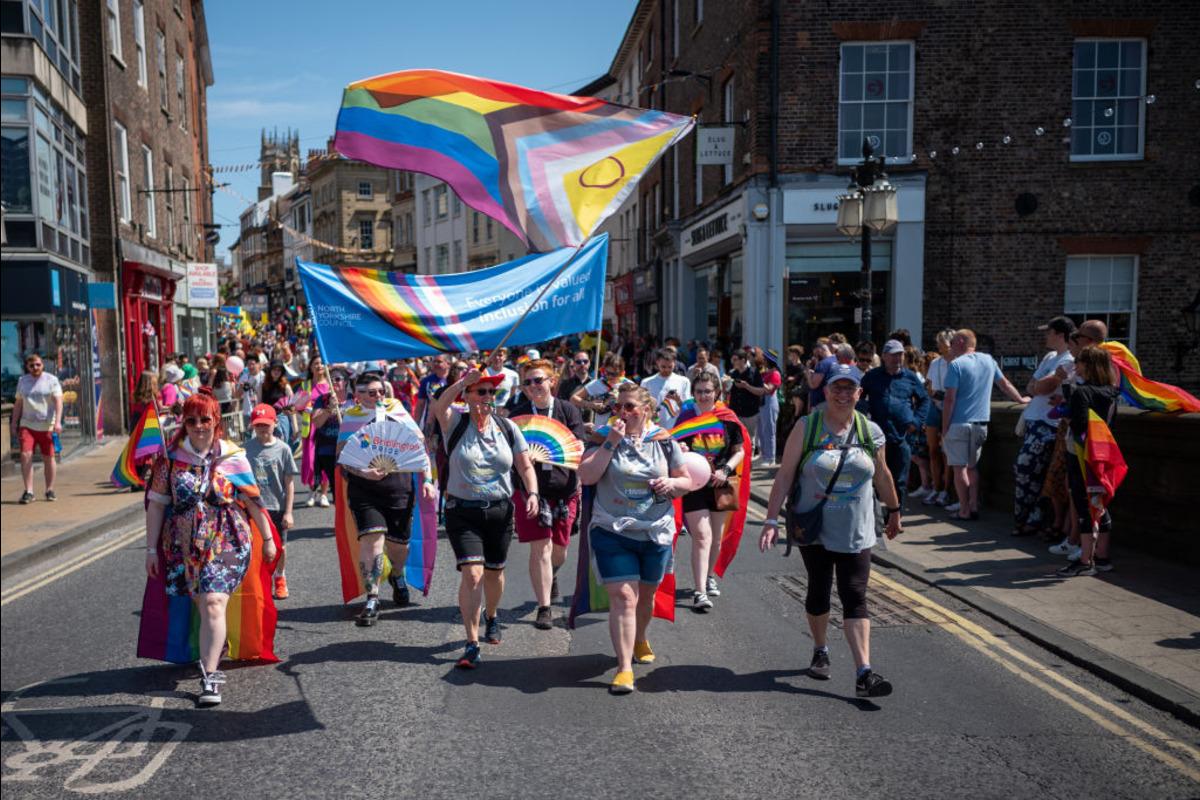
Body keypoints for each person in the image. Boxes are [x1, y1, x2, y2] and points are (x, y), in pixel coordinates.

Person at [759, 364, 903, 698]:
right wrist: (769, 520)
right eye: (836, 388)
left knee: (855, 593)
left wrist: (894, 510)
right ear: (825, 392)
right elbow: (784, 476)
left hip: (857, 528)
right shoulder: (807, 428)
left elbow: (882, 474)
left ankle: (864, 672)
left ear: (859, 394)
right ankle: (820, 648)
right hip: (816, 525)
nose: (842, 394)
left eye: (848, 389)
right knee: (819, 589)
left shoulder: (870, 431)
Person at [144, 389, 276, 706]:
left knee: (214, 601)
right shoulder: (169, 459)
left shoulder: (232, 456)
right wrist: (150, 550)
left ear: (216, 420)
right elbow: (157, 506)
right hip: (183, 544)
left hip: (228, 538)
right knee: (203, 605)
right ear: (183, 423)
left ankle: (210, 677)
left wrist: (269, 539)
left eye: (205, 419)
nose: (199, 425)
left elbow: (252, 501)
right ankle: (214, 647)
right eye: (191, 420)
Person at [576, 384, 691, 694]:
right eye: (618, 408)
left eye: (629, 407)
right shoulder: (603, 437)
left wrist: (672, 482)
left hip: (654, 531)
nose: (623, 413)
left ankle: (640, 636)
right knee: (624, 598)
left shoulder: (665, 442)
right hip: (612, 531)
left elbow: (686, 481)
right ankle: (624, 667)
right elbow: (586, 476)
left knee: (646, 595)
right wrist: (611, 441)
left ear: (646, 410)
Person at [431, 368, 539, 668]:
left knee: (494, 573)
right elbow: (439, 406)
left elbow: (524, 465)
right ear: (467, 396)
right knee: (473, 574)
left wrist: (532, 493)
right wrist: (461, 382)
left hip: (500, 511)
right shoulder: (455, 422)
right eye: (481, 392)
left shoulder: (507, 427)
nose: (487, 398)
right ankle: (471, 642)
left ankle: (492, 615)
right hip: (462, 511)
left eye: (492, 393)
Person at [338, 373, 436, 626]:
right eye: (371, 392)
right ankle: (372, 597)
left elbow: (419, 447)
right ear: (357, 395)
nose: (378, 396)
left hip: (399, 488)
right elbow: (343, 461)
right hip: (364, 490)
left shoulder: (398, 410)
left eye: (381, 391)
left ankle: (397, 573)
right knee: (372, 539)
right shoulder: (351, 417)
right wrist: (363, 472)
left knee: (399, 547)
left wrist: (426, 480)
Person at [509, 359, 587, 630]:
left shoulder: (568, 410)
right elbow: (508, 453)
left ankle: (551, 575)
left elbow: (577, 445)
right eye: (527, 382)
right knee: (540, 547)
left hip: (565, 490)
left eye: (538, 380)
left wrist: (570, 446)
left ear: (552, 381)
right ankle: (544, 608)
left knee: (559, 550)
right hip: (530, 491)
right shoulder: (517, 416)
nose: (533, 386)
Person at [941, 330, 1029, 520]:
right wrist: (1021, 399)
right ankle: (974, 505)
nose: (951, 346)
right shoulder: (989, 360)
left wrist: (944, 427)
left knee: (959, 468)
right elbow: (1004, 384)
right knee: (972, 468)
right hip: (981, 423)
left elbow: (949, 399)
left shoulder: (956, 365)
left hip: (958, 423)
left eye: (953, 342)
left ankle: (964, 510)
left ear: (962, 341)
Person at [678, 372, 748, 611]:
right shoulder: (687, 417)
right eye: (699, 392)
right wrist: (680, 447)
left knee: (716, 538)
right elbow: (673, 446)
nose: (703, 396)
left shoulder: (727, 418)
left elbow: (740, 450)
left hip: (721, 483)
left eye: (708, 391)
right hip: (694, 486)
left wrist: (726, 469)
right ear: (693, 394)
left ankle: (709, 576)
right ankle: (699, 592)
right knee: (701, 536)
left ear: (717, 392)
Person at [1055, 346, 1123, 578]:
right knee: (1100, 502)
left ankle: (1085, 560)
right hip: (1104, 454)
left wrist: (1067, 409)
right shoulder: (1112, 392)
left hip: (1082, 455)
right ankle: (1103, 558)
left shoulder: (1081, 393)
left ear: (1089, 365)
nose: (1076, 365)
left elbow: (1080, 424)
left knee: (1084, 504)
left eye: (1080, 362)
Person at [1013, 317, 1076, 536]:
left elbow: (1042, 386)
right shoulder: (1051, 357)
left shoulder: (1069, 359)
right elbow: (1032, 386)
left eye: (1048, 332)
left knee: (1027, 468)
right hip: (1034, 420)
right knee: (1030, 472)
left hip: (1049, 424)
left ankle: (1032, 518)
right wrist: (1038, 386)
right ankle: (1028, 518)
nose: (1045, 336)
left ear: (1060, 334)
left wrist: (1039, 385)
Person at [859, 340, 930, 504]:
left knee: (900, 478)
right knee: (876, 476)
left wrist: (916, 422)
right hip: (877, 434)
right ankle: (876, 513)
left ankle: (895, 517)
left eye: (900, 354)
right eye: (893, 355)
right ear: (884, 356)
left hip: (903, 435)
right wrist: (863, 417)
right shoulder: (872, 376)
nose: (897, 358)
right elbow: (859, 397)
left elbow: (924, 400)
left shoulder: (910, 377)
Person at [246, 404, 298, 600]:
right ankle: (260, 579)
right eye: (258, 425)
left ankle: (280, 577)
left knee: (280, 547)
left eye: (266, 425)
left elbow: (290, 483)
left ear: (275, 423)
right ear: (253, 426)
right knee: (255, 546)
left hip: (277, 506)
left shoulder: (283, 449)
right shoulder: (245, 449)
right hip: (254, 507)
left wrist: (289, 512)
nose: (262, 429)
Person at [11, 353, 63, 504]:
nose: (35, 368)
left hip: (47, 425)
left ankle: (50, 489)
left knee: (48, 457)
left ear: (42, 365)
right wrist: (14, 423)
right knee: (25, 455)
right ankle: (29, 491)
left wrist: (58, 422)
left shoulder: (51, 380)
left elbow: (58, 402)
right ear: (27, 367)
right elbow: (18, 404)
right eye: (32, 365)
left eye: (38, 365)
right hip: (27, 424)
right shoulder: (23, 381)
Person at [922, 330, 955, 508]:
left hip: (950, 409)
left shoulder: (958, 363)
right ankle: (936, 487)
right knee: (933, 449)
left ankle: (945, 491)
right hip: (935, 407)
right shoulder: (936, 363)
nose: (939, 347)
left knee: (947, 452)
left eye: (942, 344)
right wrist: (933, 393)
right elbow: (930, 386)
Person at [306, 368, 347, 508]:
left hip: (349, 451)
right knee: (337, 489)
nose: (334, 382)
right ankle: (340, 525)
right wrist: (329, 408)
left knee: (351, 490)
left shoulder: (354, 399)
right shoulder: (322, 400)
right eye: (332, 379)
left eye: (338, 379)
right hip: (328, 451)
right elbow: (317, 423)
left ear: (345, 382)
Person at [572, 352, 633, 429]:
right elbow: (573, 398)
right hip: (601, 432)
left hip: (623, 430)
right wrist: (590, 404)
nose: (609, 376)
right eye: (606, 372)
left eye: (613, 374)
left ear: (622, 373)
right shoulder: (598, 383)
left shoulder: (629, 385)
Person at [640, 348, 692, 429]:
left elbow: (688, 408)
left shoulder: (684, 381)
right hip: (653, 428)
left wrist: (678, 400)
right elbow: (642, 406)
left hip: (677, 428)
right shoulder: (647, 382)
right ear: (657, 362)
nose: (667, 370)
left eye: (670, 367)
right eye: (663, 367)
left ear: (675, 363)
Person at [726, 349, 763, 450]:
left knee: (750, 440)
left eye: (735, 359)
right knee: (736, 439)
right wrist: (726, 385)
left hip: (750, 412)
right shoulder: (732, 373)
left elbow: (761, 391)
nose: (733, 362)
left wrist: (746, 386)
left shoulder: (754, 372)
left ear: (743, 360)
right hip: (735, 412)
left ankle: (749, 462)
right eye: (732, 359)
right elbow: (727, 391)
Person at [757, 350, 783, 466]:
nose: (763, 360)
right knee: (762, 431)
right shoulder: (766, 372)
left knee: (769, 431)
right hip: (763, 402)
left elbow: (769, 389)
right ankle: (764, 455)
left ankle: (770, 458)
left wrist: (758, 381)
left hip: (770, 402)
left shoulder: (775, 374)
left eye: (764, 358)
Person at [260, 361, 296, 446]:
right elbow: (259, 405)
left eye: (279, 370)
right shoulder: (262, 386)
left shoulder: (286, 386)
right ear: (270, 371)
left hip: (282, 419)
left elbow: (292, 408)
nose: (276, 372)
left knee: (283, 445)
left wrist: (295, 428)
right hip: (267, 420)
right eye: (274, 369)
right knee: (268, 444)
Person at [414, 353, 450, 431]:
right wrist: (416, 424)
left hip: (450, 421)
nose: (435, 364)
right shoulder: (426, 381)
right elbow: (420, 404)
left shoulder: (454, 380)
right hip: (431, 423)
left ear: (448, 364)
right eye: (434, 361)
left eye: (439, 361)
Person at [484, 347, 521, 413]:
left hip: (504, 412)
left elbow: (513, 396)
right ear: (490, 357)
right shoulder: (484, 372)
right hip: (487, 410)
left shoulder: (513, 375)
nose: (497, 358)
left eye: (500, 355)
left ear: (505, 357)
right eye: (494, 355)